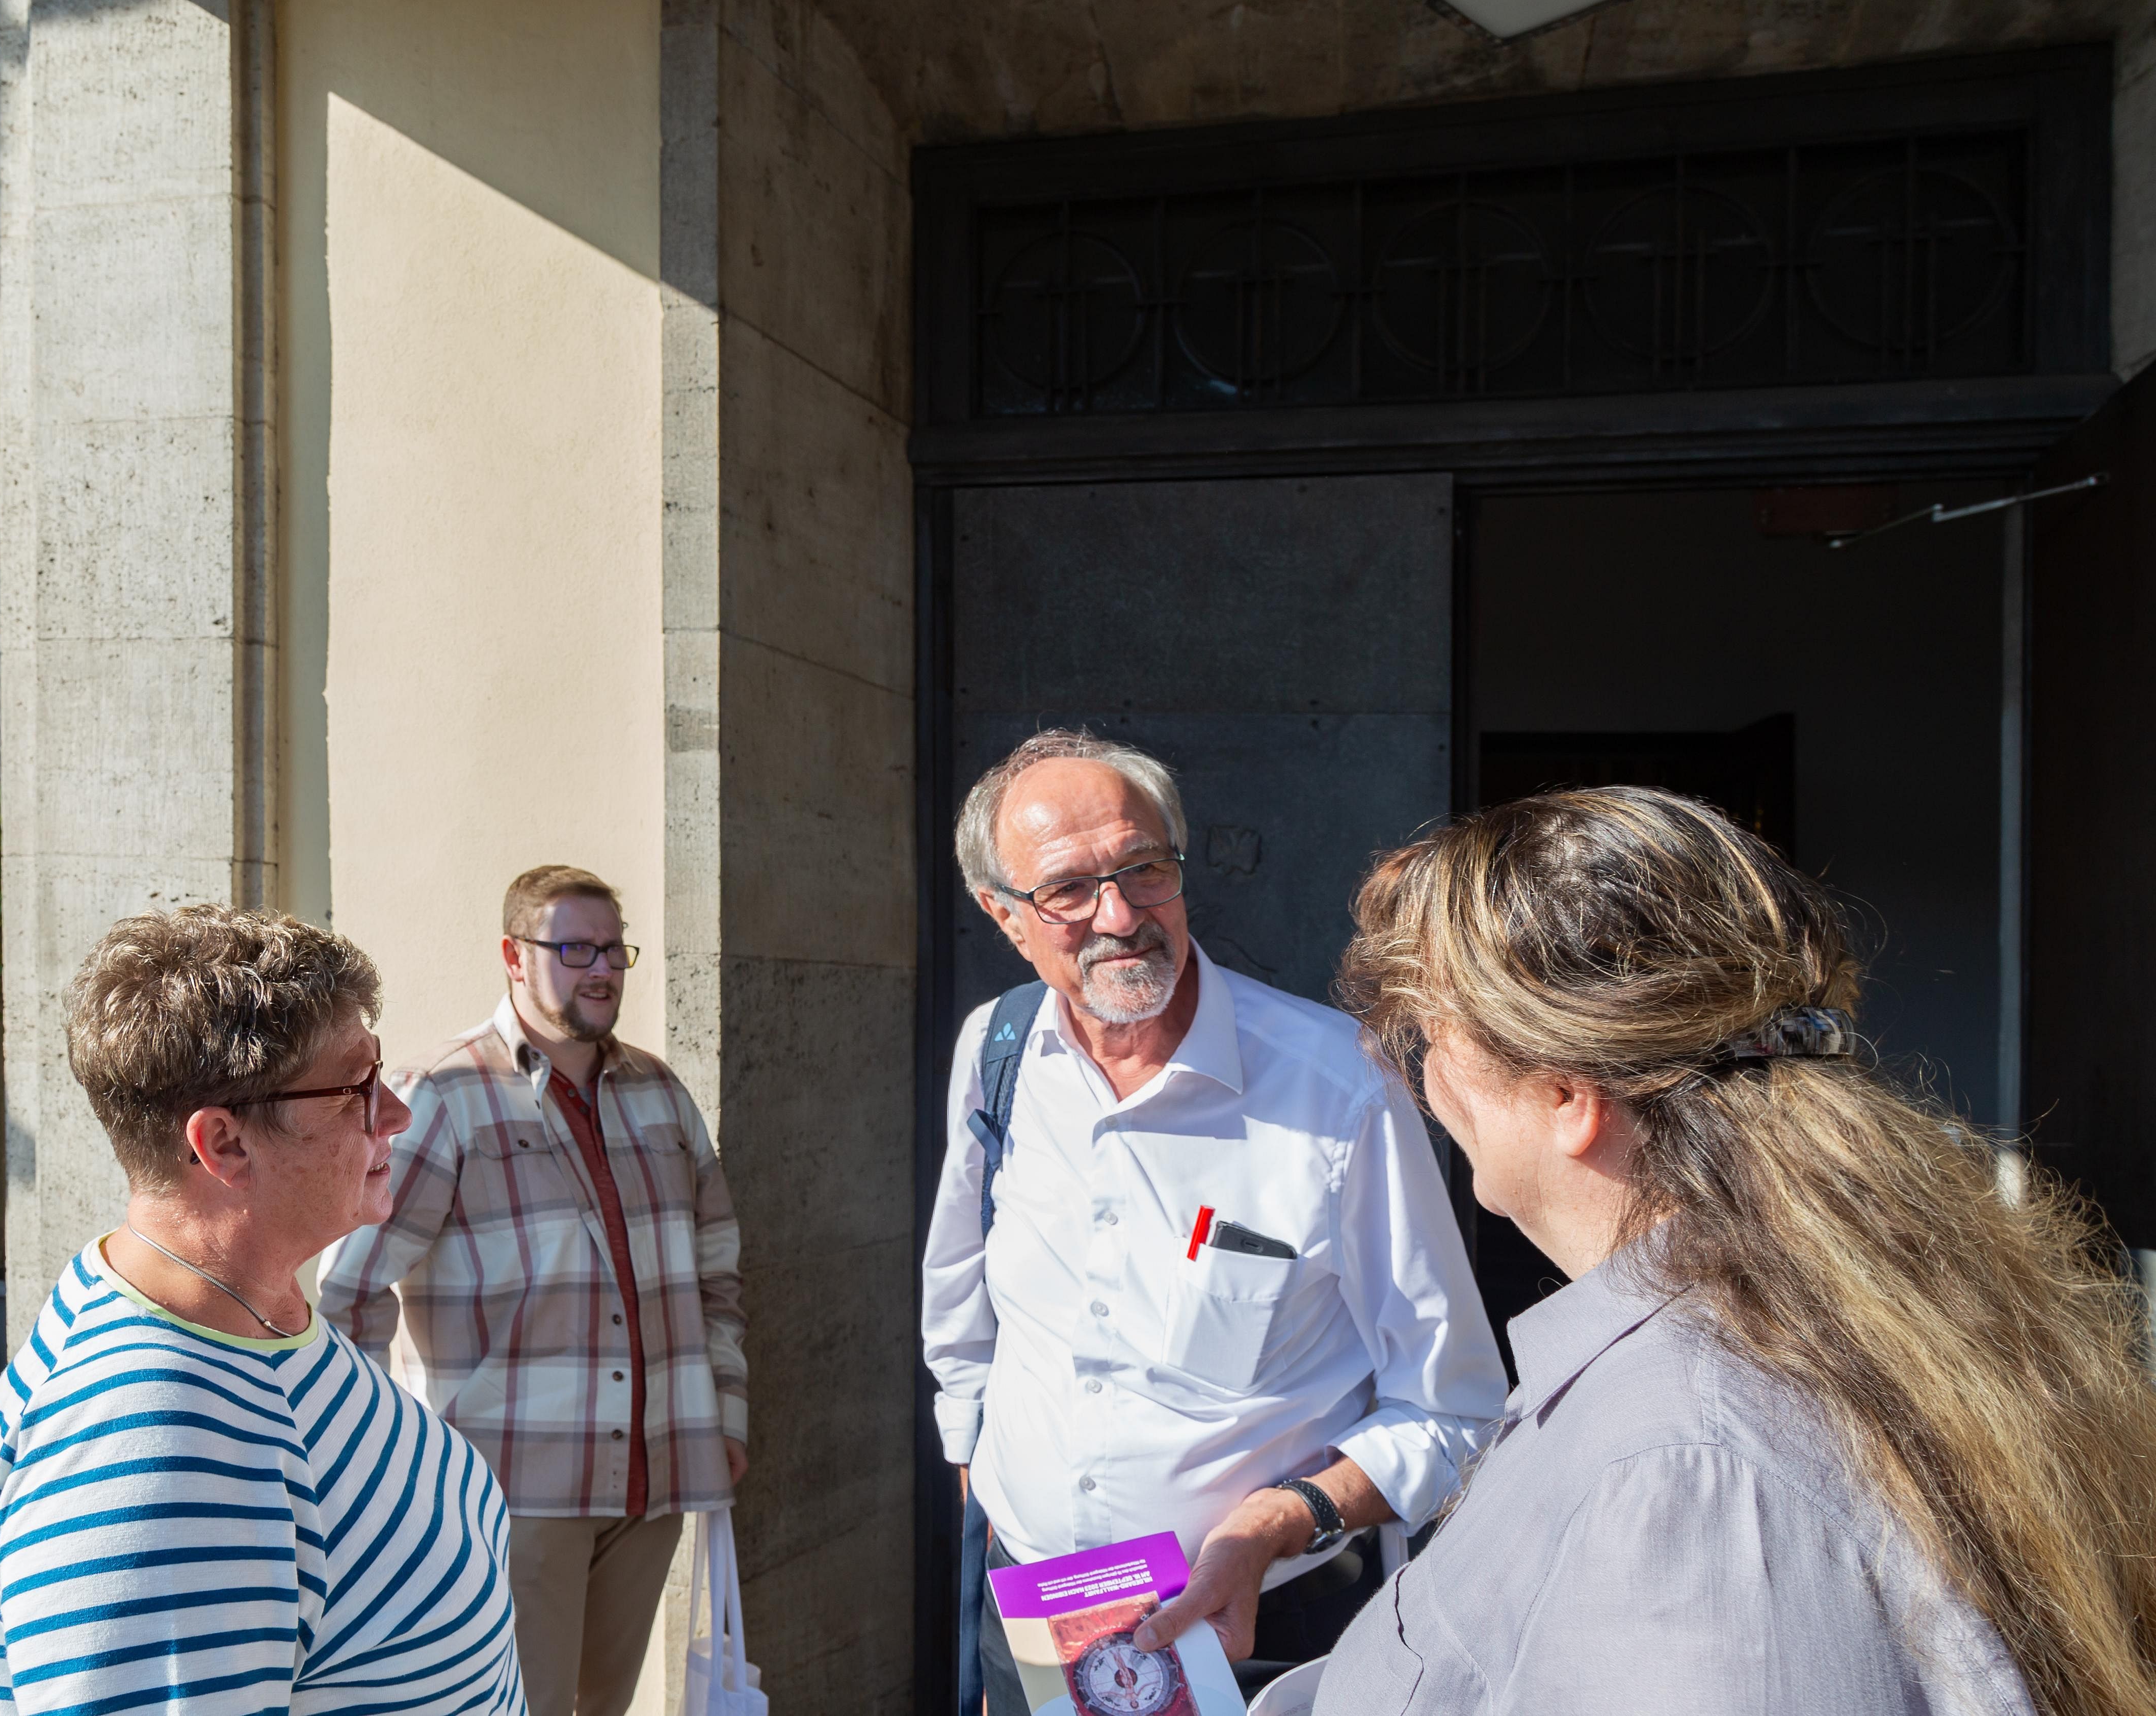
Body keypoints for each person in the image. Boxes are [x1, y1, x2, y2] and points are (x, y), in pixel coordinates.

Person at [1314, 786, 2156, 1716]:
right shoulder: (1795, 1324)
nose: (1422, 1077)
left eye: (1430, 1038)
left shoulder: (1691, 1478)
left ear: (1568, 1096)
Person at [923, 730, 1506, 1710]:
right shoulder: (998, 1050)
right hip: (1033, 1617)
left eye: (1144, 868)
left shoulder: (1340, 1091)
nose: (1120, 916)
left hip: (1261, 1635)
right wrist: (987, 1498)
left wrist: (1283, 1519)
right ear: (1004, 916)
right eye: (1069, 889)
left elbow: (1455, 1410)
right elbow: (961, 1303)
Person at [0, 906, 524, 1715]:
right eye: (355, 1089)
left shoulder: (249, 1316)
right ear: (224, 1145)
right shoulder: (153, 1456)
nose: (396, 1116)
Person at [321, 865, 747, 1716]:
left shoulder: (661, 1094)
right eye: (574, 948)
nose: (601, 970)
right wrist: (391, 1467)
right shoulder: (442, 1093)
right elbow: (350, 1294)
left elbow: (718, 1276)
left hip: (656, 1474)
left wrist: (725, 1416)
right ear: (514, 956)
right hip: (512, 1490)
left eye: (613, 951)